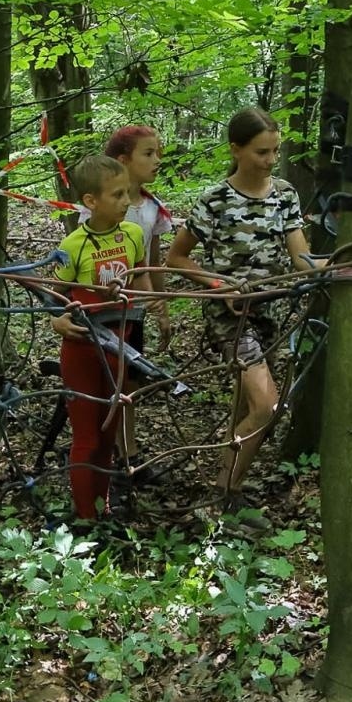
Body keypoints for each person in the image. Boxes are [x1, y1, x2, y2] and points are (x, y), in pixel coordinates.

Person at [165, 107, 320, 525]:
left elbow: (299, 253)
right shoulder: (215, 199)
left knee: (247, 406)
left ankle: (227, 493)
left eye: (275, 152)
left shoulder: (285, 194)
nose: (270, 160)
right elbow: (177, 257)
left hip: (270, 310)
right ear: (236, 149)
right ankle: (222, 497)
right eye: (260, 152)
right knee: (266, 404)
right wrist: (219, 284)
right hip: (229, 315)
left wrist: (333, 268)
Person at [51, 155, 152, 521]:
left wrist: (147, 302)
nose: (126, 201)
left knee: (110, 436)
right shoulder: (73, 244)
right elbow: (55, 295)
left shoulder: (134, 235)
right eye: (116, 195)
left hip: (119, 347)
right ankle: (85, 519)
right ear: (91, 201)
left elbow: (142, 279)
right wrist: (58, 320)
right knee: (87, 437)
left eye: (127, 192)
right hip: (81, 350)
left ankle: (104, 507)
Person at [75, 126, 171, 479]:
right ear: (123, 160)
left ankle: (127, 453)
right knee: (106, 382)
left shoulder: (151, 209)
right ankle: (102, 453)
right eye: (148, 153)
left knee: (129, 382)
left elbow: (149, 263)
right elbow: (80, 261)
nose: (157, 160)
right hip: (101, 313)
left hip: (135, 310)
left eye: (157, 152)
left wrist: (160, 306)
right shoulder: (97, 210)